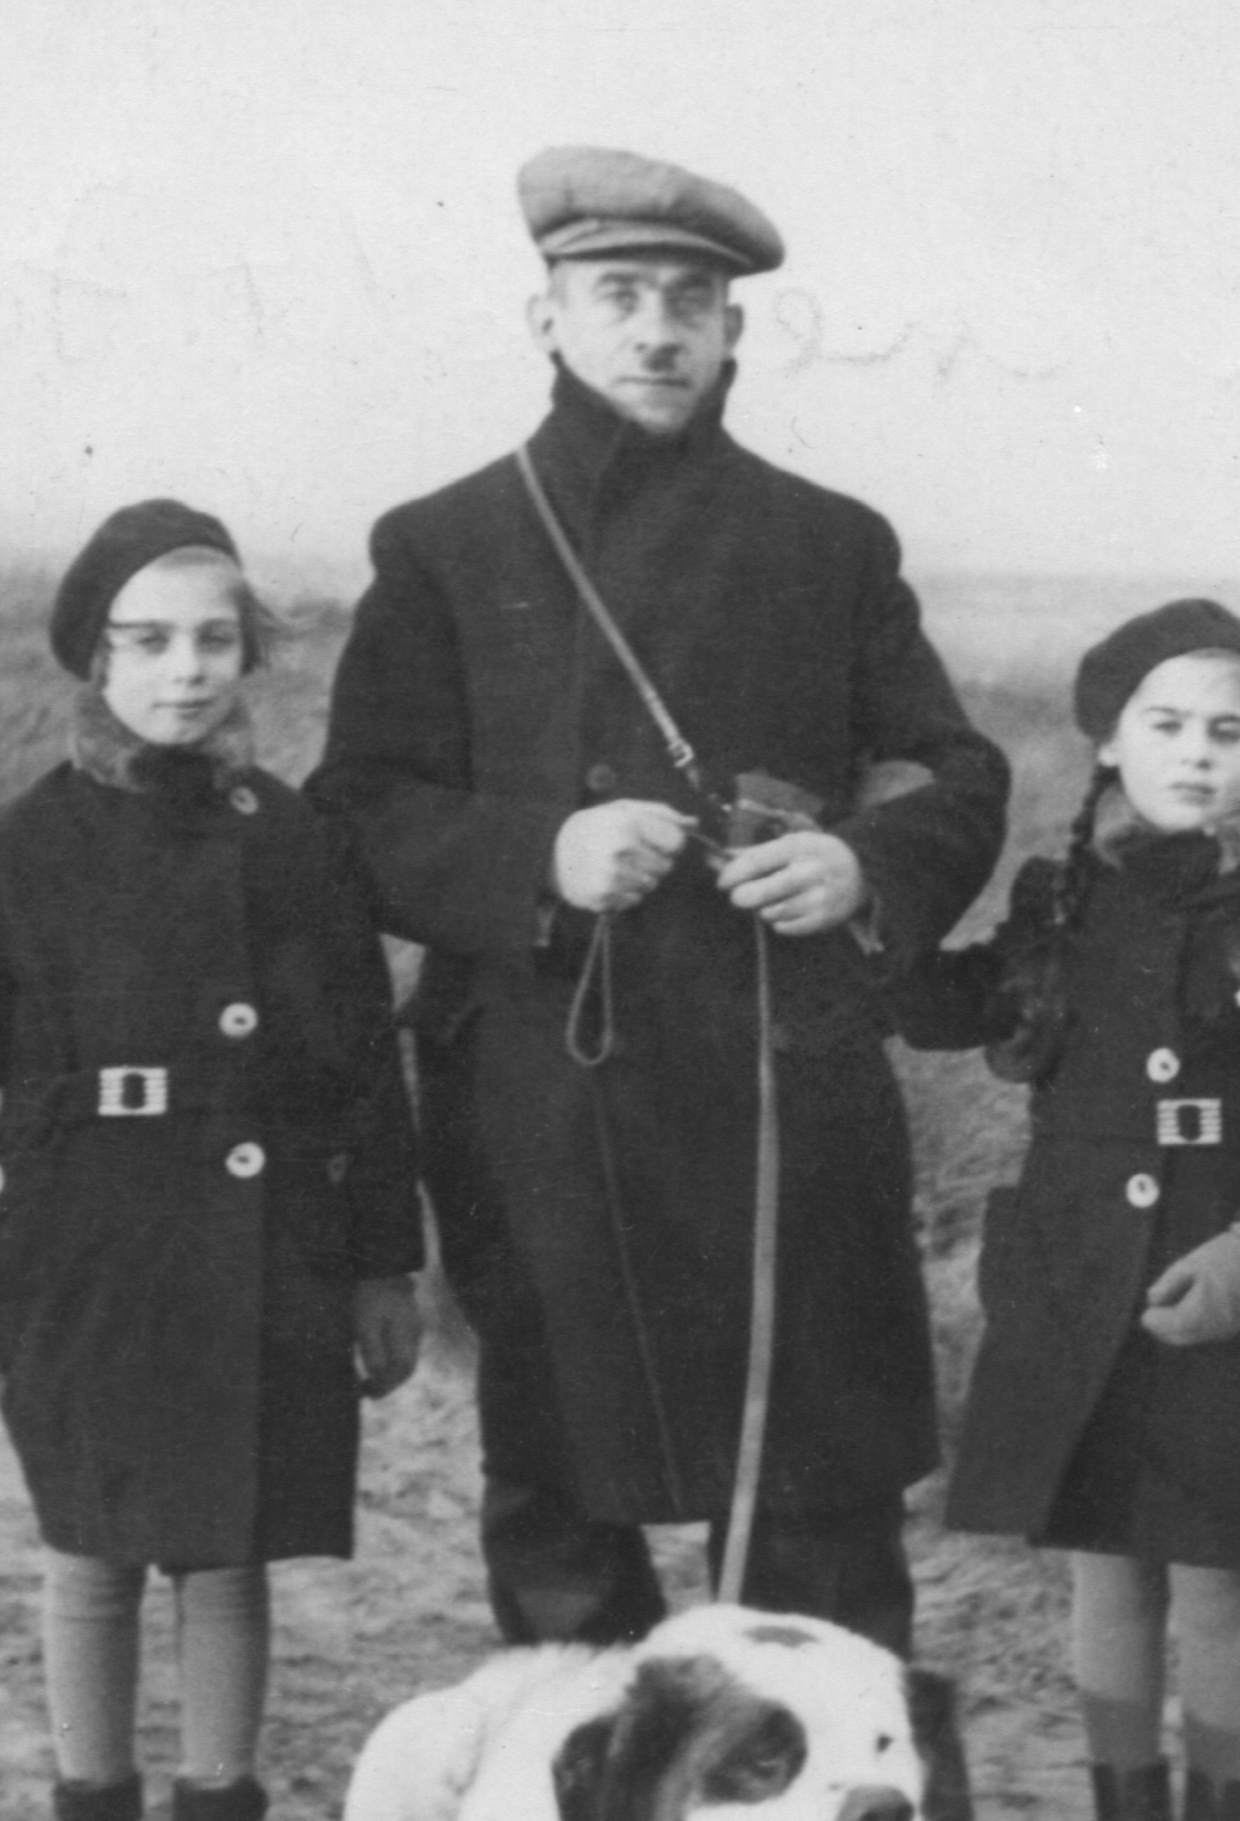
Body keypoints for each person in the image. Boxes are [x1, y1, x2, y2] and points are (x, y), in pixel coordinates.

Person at [311, 146, 1009, 1657]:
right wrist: (537, 859)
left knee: (818, 1502)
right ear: (546, 315)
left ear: (737, 332)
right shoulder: (444, 544)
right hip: (548, 1094)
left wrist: (865, 869)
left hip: (785, 1089)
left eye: (692, 300)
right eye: (617, 294)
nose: (657, 330)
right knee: (565, 1501)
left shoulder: (832, 543)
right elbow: (354, 813)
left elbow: (956, 769)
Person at [0, 499, 426, 1821]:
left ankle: (219, 1795)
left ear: (249, 651)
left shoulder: (300, 840)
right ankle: (93, 1796)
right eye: (147, 641)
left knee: (229, 1544)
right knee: (91, 1542)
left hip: (263, 1248)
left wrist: (382, 1266)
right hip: (81, 1244)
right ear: (95, 656)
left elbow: (365, 1070)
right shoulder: (12, 851)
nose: (184, 669)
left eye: (213, 638)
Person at [891, 600, 1240, 1821]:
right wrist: (877, 880)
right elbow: (934, 1007)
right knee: (1106, 1568)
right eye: (1166, 724)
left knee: (1221, 1581)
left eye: (1226, 731)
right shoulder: (1063, 903)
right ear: (1109, 744)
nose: (1197, 753)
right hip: (1078, 1281)